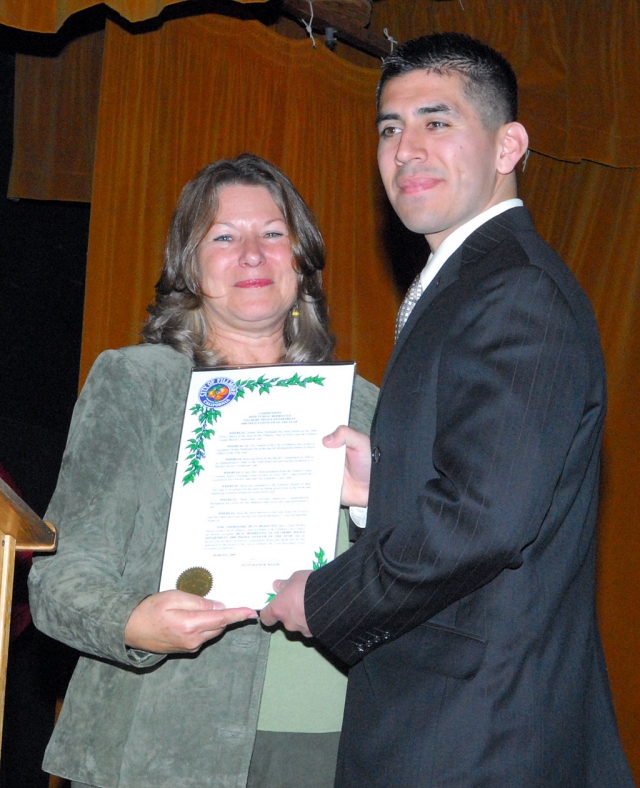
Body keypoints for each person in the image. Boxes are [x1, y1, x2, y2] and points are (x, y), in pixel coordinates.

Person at [261, 33, 635, 786]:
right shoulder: (467, 281)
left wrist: (326, 597)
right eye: (390, 128)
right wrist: (383, 483)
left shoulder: (514, 289)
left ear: (508, 146)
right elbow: (487, 487)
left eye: (437, 122)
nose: (405, 150)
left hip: (475, 734)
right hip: (451, 722)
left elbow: (484, 520)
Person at [28, 153, 378, 788]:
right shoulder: (138, 384)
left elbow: (424, 575)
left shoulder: (366, 408)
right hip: (166, 738)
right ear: (188, 266)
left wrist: (372, 508)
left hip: (337, 745)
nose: (252, 254)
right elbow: (61, 579)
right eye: (223, 236)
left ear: (301, 262)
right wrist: (135, 622)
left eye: (273, 234)